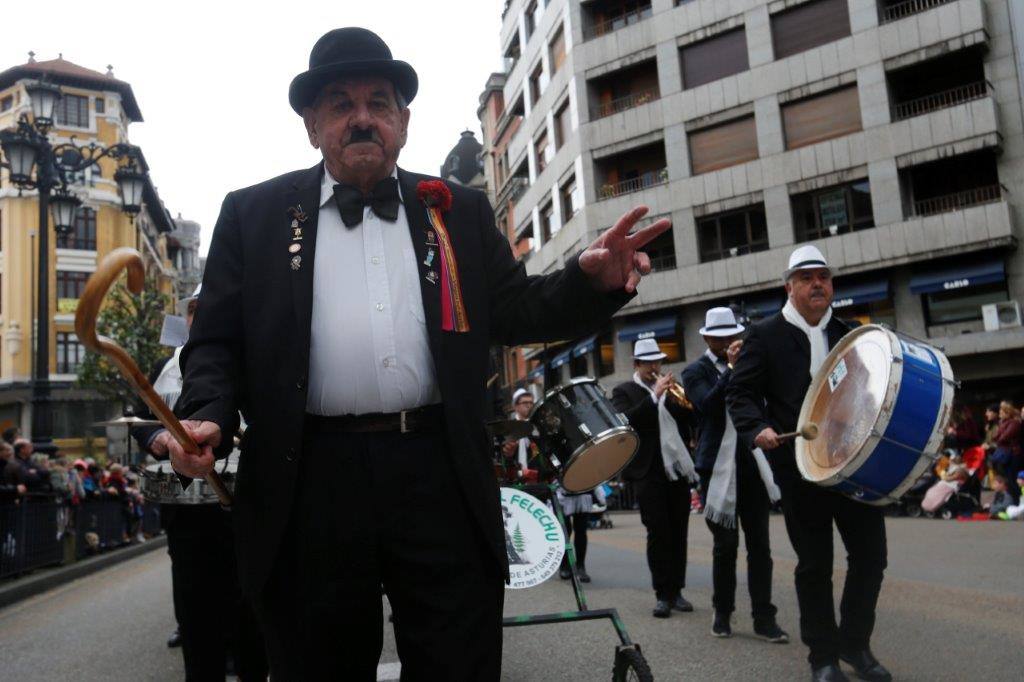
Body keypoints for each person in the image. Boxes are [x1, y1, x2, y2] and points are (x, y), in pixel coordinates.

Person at [162, 27, 667, 680]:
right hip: (309, 477)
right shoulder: (252, 215)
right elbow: (217, 347)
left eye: (380, 101)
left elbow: (516, 309)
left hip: (439, 473)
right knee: (317, 664)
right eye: (342, 104)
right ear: (312, 124)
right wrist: (206, 414)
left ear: (403, 120)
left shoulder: (456, 209)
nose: (363, 117)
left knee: (459, 660)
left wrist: (589, 282)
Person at [727, 245, 890, 682]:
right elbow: (739, 394)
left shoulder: (852, 334)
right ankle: (823, 657)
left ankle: (856, 645)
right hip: (801, 469)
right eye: (806, 277)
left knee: (871, 558)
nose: (817, 284)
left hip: (855, 466)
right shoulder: (764, 335)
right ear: (790, 286)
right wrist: (755, 428)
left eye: (824, 276)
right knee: (815, 564)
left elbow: (872, 395)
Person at [134, 289, 268, 680]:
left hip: (246, 500)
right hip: (187, 507)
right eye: (193, 312)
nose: (199, 319)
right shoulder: (164, 367)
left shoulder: (255, 359)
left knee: (251, 607)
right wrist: (157, 439)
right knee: (196, 609)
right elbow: (140, 421)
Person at [682, 307, 788, 642]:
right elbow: (708, 407)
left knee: (760, 545)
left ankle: (763, 617)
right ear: (708, 339)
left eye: (733, 335)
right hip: (715, 467)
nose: (729, 341)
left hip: (752, 462)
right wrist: (730, 369)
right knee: (725, 545)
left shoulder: (751, 362)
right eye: (722, 337)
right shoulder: (694, 372)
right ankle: (723, 611)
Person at [612, 338, 699, 618]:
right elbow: (625, 421)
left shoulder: (671, 387)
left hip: (676, 468)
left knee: (679, 530)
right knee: (657, 531)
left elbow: (689, 417)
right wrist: (654, 398)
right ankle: (662, 593)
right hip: (646, 470)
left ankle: (678, 591)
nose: (654, 367)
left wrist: (679, 400)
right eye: (648, 362)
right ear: (637, 364)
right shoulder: (623, 390)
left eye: (657, 361)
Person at [989, 401, 1021, 480]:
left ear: (1007, 412)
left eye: (1001, 410)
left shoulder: (1014, 423)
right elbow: (995, 437)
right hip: (1004, 452)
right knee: (1004, 476)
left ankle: (1015, 492)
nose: (999, 412)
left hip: (1012, 453)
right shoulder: (1002, 423)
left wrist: (998, 438)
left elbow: (1004, 437)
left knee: (1011, 477)